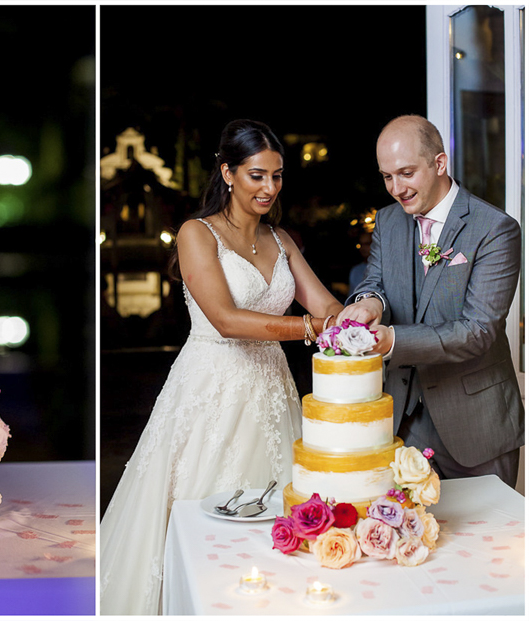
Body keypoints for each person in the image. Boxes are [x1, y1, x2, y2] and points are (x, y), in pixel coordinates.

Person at [99, 119, 343, 615]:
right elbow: (226, 320)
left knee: (277, 510)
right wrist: (310, 330)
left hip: (272, 388)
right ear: (228, 173)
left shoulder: (282, 240)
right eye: (257, 175)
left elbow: (328, 308)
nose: (269, 187)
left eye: (276, 176)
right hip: (210, 387)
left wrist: (365, 312)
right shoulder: (196, 233)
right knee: (201, 507)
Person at [338, 114, 523, 487]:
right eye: (386, 176)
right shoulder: (388, 222)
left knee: (486, 543)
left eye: (406, 173)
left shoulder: (495, 229)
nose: (395, 187)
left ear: (440, 163)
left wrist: (392, 341)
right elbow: (375, 283)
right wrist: (371, 303)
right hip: (402, 424)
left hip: (476, 429)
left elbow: (478, 331)